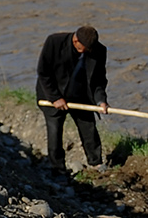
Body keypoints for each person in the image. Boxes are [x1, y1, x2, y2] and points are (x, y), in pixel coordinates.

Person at [36, 26, 109, 173]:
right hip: (52, 95)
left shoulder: (99, 50)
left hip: (80, 95)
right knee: (55, 130)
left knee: (89, 128)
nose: (86, 52)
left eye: (89, 49)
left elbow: (99, 80)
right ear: (75, 40)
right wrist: (55, 98)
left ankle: (96, 162)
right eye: (83, 48)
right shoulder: (54, 42)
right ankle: (58, 168)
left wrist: (101, 100)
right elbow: (43, 72)